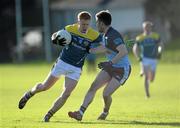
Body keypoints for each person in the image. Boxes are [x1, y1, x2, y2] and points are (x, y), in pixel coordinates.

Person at [18, 11, 102, 122]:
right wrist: (54, 39)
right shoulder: (70, 29)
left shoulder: (94, 35)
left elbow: (104, 45)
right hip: (62, 63)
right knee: (44, 87)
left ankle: (48, 115)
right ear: (78, 22)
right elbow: (55, 35)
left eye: (87, 24)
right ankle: (29, 94)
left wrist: (94, 50)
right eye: (83, 24)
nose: (85, 27)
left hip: (76, 68)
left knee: (66, 93)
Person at [68, 10, 131, 121]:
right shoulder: (106, 35)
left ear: (102, 23)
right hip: (110, 67)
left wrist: (110, 63)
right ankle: (80, 113)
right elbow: (105, 48)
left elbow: (124, 51)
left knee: (106, 94)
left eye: (97, 22)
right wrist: (89, 50)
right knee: (93, 87)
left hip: (122, 69)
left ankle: (105, 112)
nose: (96, 24)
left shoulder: (113, 34)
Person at [133, 21, 163, 98]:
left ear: (151, 27)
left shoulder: (155, 36)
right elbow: (135, 48)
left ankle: (143, 71)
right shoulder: (140, 38)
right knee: (146, 77)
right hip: (144, 58)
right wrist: (137, 57)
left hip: (153, 59)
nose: (147, 28)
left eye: (149, 27)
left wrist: (159, 53)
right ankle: (147, 94)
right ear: (143, 28)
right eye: (146, 27)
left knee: (151, 79)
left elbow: (160, 45)